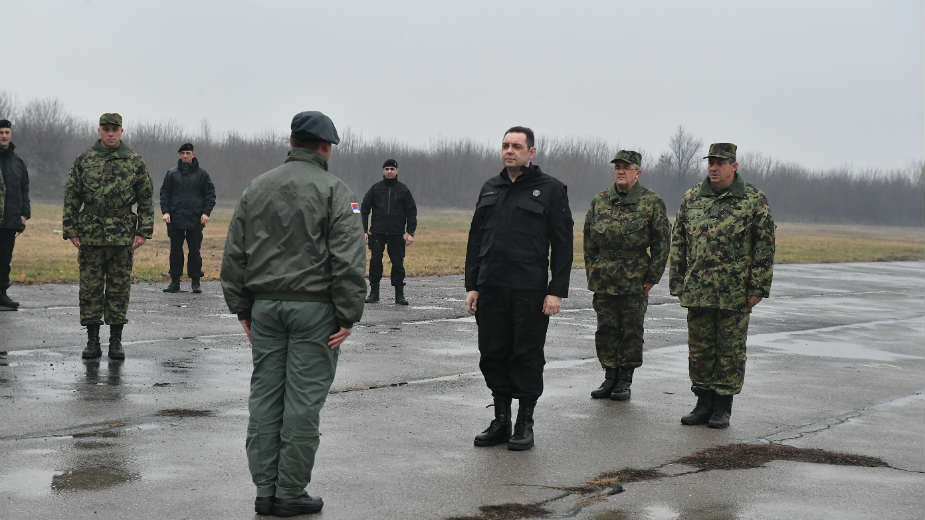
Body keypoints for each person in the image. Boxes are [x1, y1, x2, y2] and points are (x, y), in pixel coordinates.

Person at [221, 111, 365, 517]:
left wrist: (242, 308)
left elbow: (235, 254)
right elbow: (350, 260)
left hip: (266, 308)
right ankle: (289, 492)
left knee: (265, 398)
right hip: (315, 311)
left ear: (291, 141)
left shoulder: (256, 188)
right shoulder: (339, 193)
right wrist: (348, 314)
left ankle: (265, 490)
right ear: (325, 147)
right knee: (302, 402)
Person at [464, 126, 573, 451]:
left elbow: (563, 243)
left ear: (531, 152)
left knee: (525, 356)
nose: (509, 150)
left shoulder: (550, 189)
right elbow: (476, 240)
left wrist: (556, 290)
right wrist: (472, 284)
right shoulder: (490, 188)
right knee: (493, 353)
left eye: (516, 146)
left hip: (529, 291)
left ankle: (525, 422)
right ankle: (501, 420)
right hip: (492, 288)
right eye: (505, 145)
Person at [669, 142, 775, 429]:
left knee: (729, 350)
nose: (714, 168)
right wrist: (677, 281)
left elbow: (764, 246)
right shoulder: (692, 197)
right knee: (700, 349)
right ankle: (702, 403)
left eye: (720, 163)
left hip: (734, 291)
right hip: (698, 288)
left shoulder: (752, 199)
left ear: (734, 166)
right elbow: (679, 240)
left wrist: (758, 287)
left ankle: (722, 407)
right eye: (711, 163)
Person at [63, 113, 154, 360]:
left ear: (121, 131)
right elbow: (72, 197)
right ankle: (92, 341)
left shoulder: (134, 161)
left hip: (122, 235)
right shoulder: (85, 160)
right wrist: (70, 230)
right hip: (91, 234)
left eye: (114, 129)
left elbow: (146, 198)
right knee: (90, 288)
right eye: (106, 129)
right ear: (99, 131)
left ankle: (116, 341)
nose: (110, 133)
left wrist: (144, 231)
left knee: (118, 288)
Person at [584, 150, 669, 401]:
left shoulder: (651, 202)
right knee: (606, 329)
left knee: (631, 330)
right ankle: (610, 376)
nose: (620, 171)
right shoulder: (600, 200)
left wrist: (652, 277)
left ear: (637, 172)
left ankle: (625, 380)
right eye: (617, 167)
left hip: (635, 280)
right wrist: (592, 270)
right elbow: (589, 239)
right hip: (604, 279)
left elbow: (662, 242)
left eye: (626, 167)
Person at [159, 142, 216, 293]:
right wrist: (165, 212)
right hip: (175, 219)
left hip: (196, 219)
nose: (185, 156)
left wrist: (206, 213)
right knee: (175, 251)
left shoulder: (202, 175)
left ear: (193, 155)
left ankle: (196, 282)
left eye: (188, 153)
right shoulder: (171, 174)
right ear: (180, 155)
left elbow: (210, 195)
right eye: (183, 153)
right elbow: (164, 194)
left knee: (195, 251)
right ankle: (175, 282)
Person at [360, 158, 417, 305]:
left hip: (397, 234)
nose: (389, 171)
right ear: (383, 171)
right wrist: (364, 230)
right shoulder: (375, 189)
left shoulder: (403, 190)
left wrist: (410, 232)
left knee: (398, 263)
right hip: (377, 233)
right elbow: (363, 209)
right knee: (375, 262)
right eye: (387, 169)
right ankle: (374, 293)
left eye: (392, 169)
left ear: (397, 171)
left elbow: (412, 212)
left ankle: (399, 295)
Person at [0, 119, 30, 310]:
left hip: (10, 220)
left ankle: (2, 294)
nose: (3, 136)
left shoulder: (17, 162)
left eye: (6, 132)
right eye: (0, 132)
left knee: (4, 260)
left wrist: (24, 214)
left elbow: (24, 188)